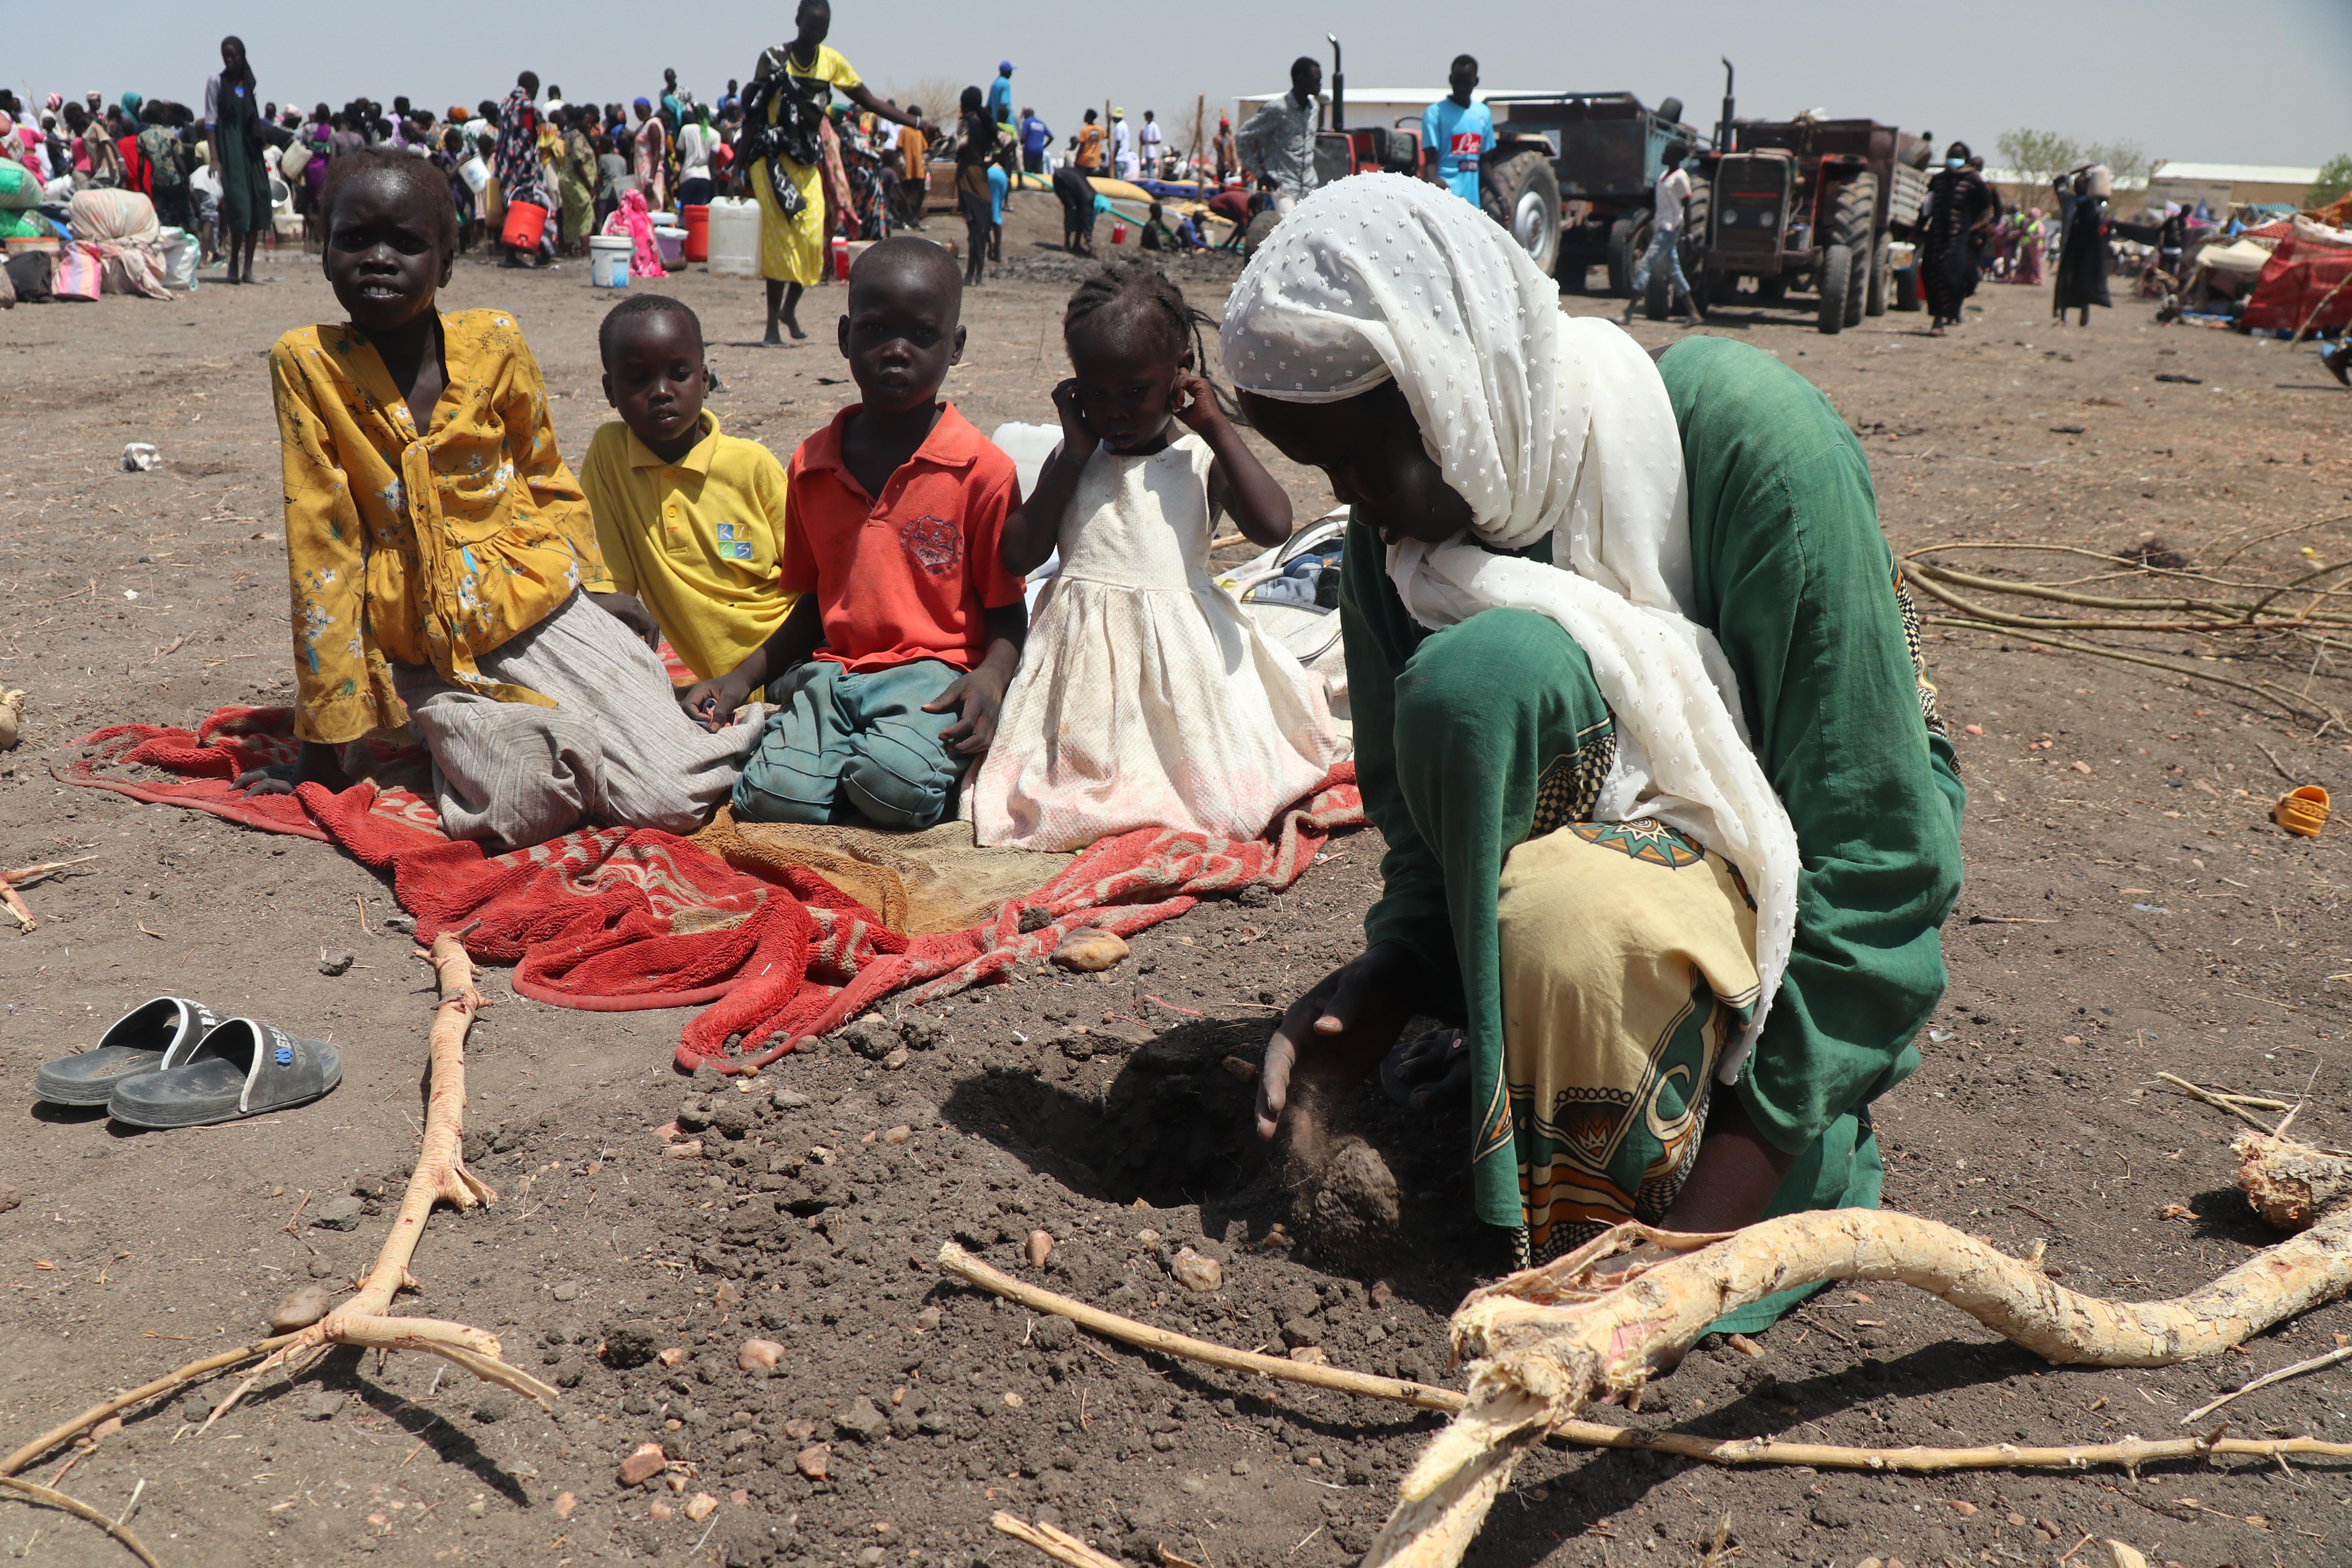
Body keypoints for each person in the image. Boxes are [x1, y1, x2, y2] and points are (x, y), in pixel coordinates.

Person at [1227, 177, 1962, 1301]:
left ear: (1457, 394)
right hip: (1624, 840)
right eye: (1324, 472)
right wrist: (1387, 985)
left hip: (1804, 837)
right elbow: (1430, 842)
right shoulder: (1408, 550)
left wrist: (1687, 1259)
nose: (1357, 503)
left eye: (1366, 459)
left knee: (1566, 920)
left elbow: (1879, 856)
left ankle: (1670, 1168)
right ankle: (1531, 1080)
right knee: (1484, 685)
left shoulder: (1751, 448)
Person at [236, 150, 757, 847]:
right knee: (523, 799)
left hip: (542, 606)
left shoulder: (496, 343)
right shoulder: (307, 366)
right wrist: (322, 751)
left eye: (408, 244)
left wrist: (597, 586)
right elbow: (322, 552)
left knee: (673, 795)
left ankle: (754, 730)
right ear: (323, 252)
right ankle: (523, 733)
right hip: (434, 651)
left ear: (448, 262)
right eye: (355, 239)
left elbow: (545, 474)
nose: (379, 259)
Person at [977, 265, 1345, 851]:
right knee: (1070, 780)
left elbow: (1273, 525)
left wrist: (1218, 427)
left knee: (1215, 793)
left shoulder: (1197, 454)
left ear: (1177, 376)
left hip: (1180, 661)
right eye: (1094, 395)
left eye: (1134, 393)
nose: (1114, 412)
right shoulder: (1075, 456)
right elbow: (1019, 554)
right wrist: (1072, 454)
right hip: (1080, 663)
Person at [695, 239, 1028, 831]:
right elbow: (816, 605)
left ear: (955, 346)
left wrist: (992, 679)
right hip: (835, 671)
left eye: (922, 335)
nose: (896, 351)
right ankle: (832, 752)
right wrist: (741, 679)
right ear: (846, 337)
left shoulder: (981, 471)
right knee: (775, 804)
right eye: (875, 330)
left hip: (936, 676)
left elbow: (1006, 610)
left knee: (893, 787)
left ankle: (874, 762)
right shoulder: (812, 465)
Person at [584, 295, 800, 686]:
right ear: (610, 391)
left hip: (791, 656)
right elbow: (610, 589)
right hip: (723, 683)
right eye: (638, 379)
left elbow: (814, 583)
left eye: (679, 374)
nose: (661, 391)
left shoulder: (751, 465)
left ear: (705, 380)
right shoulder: (611, 455)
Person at [737, 0, 931, 344]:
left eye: (822, 30)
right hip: (771, 162)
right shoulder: (773, 59)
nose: (816, 35)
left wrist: (917, 123)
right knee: (780, 243)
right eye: (811, 28)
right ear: (798, 21)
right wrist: (738, 163)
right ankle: (771, 326)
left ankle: (789, 310)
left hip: (807, 162)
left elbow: (870, 102)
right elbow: (754, 112)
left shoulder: (832, 62)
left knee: (814, 240)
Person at [205, 35, 272, 284]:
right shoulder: (217, 82)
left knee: (259, 202)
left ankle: (248, 269)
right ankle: (232, 264)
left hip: (251, 151)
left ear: (243, 56)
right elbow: (210, 121)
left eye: (234, 55)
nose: (230, 60)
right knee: (239, 205)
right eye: (226, 56)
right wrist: (215, 158)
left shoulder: (248, 83)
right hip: (230, 149)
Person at [1616, 139, 1703, 326]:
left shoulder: (1681, 177)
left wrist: (1688, 235)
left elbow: (1687, 204)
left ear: (1675, 157)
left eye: (1666, 152)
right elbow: (1656, 211)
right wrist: (1635, 231)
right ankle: (1694, 314)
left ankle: (1628, 312)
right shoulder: (1664, 177)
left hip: (1670, 229)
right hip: (1663, 228)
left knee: (1645, 265)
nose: (1663, 155)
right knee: (1674, 271)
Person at [1918, 140, 1990, 335]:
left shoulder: (1974, 181)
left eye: (1958, 157)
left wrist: (1974, 230)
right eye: (1951, 155)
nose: (1954, 160)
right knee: (1931, 273)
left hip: (1959, 238)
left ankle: (1942, 318)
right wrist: (1916, 230)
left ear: (1965, 159)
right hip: (1936, 235)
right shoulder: (1938, 180)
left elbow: (1987, 210)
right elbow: (1927, 207)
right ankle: (1938, 314)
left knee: (1951, 275)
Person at [1236, 57, 1321, 214]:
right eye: (1316, 80)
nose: (1320, 85)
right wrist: (1260, 174)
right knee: (1290, 234)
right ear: (1301, 79)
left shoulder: (1314, 109)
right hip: (1285, 189)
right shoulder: (1278, 109)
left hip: (1310, 189)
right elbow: (1242, 137)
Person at [492, 71, 552, 267]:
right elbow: (528, 136)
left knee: (510, 204)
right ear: (533, 89)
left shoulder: (504, 104)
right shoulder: (526, 107)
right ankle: (540, 249)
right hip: (522, 163)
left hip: (504, 162)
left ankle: (511, 253)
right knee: (531, 202)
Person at [1421, 55, 1492, 204]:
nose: (1461, 87)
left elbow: (1485, 163)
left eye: (1466, 83)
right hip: (1447, 202)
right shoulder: (1435, 113)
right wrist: (1433, 188)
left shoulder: (1483, 113)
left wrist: (1501, 198)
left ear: (1476, 82)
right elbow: (1431, 162)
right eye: (1458, 81)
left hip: (1472, 206)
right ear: (1451, 79)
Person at [2052, 163, 2113, 327]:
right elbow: (2058, 182)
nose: (2080, 185)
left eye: (2085, 182)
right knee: (2066, 280)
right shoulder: (2069, 201)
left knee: (2085, 281)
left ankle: (2084, 311)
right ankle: (2063, 316)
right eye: (2078, 183)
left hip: (2088, 250)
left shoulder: (2096, 204)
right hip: (2071, 246)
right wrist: (2075, 171)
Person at [954, 85, 999, 287]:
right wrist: (990, 161)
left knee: (973, 227)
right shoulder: (986, 123)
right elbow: (1010, 143)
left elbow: (960, 145)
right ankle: (977, 273)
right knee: (981, 227)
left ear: (964, 104)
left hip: (967, 177)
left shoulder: (966, 123)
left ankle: (971, 274)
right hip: (982, 176)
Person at [676, 103, 716, 209]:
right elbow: (713, 164)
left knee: (686, 212)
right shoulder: (715, 135)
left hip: (687, 176)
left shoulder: (686, 130)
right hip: (705, 177)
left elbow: (679, 153)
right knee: (701, 212)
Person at [1053, 159, 1097, 256]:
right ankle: (1067, 244)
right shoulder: (1088, 199)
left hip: (1071, 183)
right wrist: (1090, 243)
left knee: (1080, 213)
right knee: (1071, 209)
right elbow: (1086, 220)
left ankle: (1076, 245)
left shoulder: (1091, 195)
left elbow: (1087, 219)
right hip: (1061, 180)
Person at [896, 107, 929, 228]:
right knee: (909, 194)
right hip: (911, 169)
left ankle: (911, 218)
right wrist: (903, 163)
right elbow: (899, 149)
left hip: (915, 170)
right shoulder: (906, 130)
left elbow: (925, 150)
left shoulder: (918, 132)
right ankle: (906, 218)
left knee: (913, 193)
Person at [1019, 107, 1050, 175]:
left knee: (1028, 173)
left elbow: (1024, 137)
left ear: (1027, 114)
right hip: (1039, 151)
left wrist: (1020, 145)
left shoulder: (1026, 122)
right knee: (1039, 173)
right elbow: (1051, 137)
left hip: (1029, 151)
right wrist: (1044, 147)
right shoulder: (1041, 123)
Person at [1073, 107, 1105, 173]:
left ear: (1089, 117)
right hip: (1095, 161)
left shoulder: (1085, 130)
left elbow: (1082, 146)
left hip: (1084, 161)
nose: (1084, 117)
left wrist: (1076, 160)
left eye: (1086, 115)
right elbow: (1106, 135)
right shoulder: (1100, 129)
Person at [1111, 108, 1136, 181]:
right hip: (1124, 158)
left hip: (1119, 157)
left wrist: (1113, 157)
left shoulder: (1119, 127)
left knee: (1118, 181)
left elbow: (1118, 143)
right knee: (1122, 180)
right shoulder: (1125, 126)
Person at [985, 62, 1014, 126]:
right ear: (1007, 72)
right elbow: (1003, 105)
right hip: (1007, 124)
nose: (1012, 74)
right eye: (1010, 71)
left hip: (995, 123)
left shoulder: (994, 84)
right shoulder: (1006, 84)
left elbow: (988, 107)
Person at [1214, 114, 1238, 185]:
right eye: (1226, 127)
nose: (1228, 128)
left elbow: (1233, 152)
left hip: (1231, 166)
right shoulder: (1217, 138)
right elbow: (1219, 152)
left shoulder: (1230, 139)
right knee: (1222, 185)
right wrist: (1225, 162)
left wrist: (1234, 165)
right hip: (1222, 166)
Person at [1138, 109, 1163, 178]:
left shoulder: (1154, 126)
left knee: (1151, 168)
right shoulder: (1147, 126)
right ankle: (1150, 178)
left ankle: (1151, 180)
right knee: (1148, 168)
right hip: (1147, 150)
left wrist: (1149, 142)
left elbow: (1158, 140)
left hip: (1152, 150)